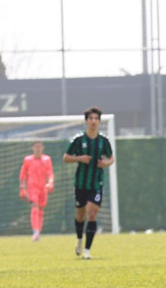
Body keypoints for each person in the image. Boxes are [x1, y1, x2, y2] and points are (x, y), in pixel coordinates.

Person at [64, 106, 114, 260]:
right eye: (91, 118)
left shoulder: (103, 141)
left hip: (96, 183)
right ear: (86, 121)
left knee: (92, 214)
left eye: (96, 119)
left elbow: (111, 158)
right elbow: (66, 157)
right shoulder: (79, 140)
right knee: (80, 216)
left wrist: (105, 164)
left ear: (99, 122)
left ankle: (87, 250)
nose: (93, 121)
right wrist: (80, 158)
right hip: (80, 183)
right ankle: (79, 239)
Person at [19, 141, 54, 241]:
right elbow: (23, 174)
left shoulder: (47, 159)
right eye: (36, 147)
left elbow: (50, 173)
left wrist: (50, 182)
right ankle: (35, 232)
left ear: (42, 148)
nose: (38, 148)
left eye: (39, 146)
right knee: (34, 207)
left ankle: (38, 230)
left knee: (41, 209)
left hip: (43, 188)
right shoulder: (28, 160)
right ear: (33, 148)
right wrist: (22, 188)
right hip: (32, 187)